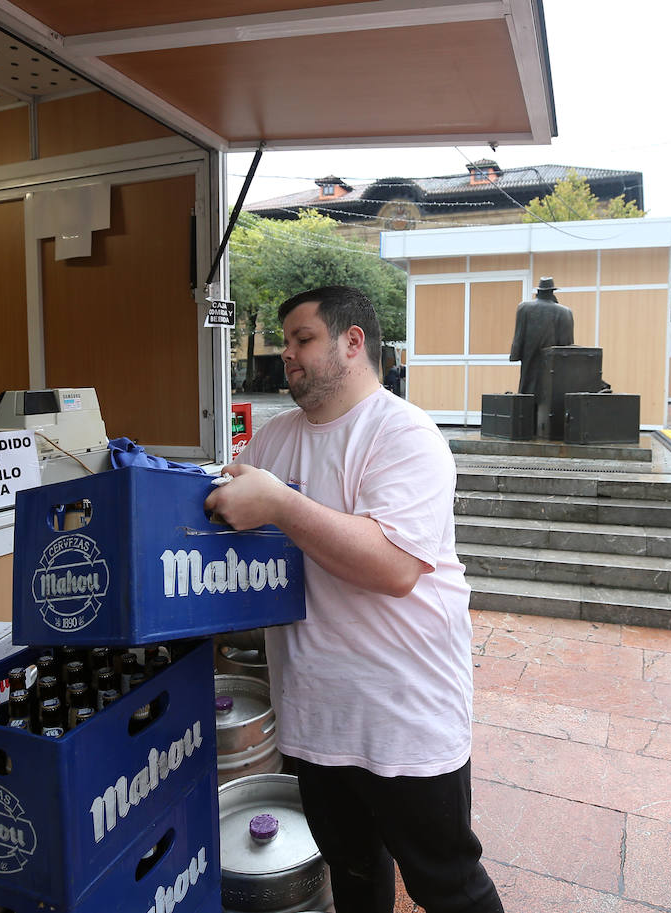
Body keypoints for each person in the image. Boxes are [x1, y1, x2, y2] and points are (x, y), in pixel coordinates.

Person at [205, 285, 502, 913]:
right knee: (353, 871)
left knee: (446, 884)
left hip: (403, 715)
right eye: (285, 342)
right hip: (314, 712)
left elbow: (394, 567)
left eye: (303, 339)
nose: (287, 353)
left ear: (352, 341)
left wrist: (280, 502)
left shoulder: (404, 433)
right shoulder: (273, 441)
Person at [509, 276, 574, 395]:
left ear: (538, 292)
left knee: (528, 391)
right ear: (552, 292)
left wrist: (515, 355)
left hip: (530, 358)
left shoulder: (524, 308)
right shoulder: (565, 312)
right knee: (551, 394)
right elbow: (567, 345)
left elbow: (519, 336)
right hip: (555, 365)